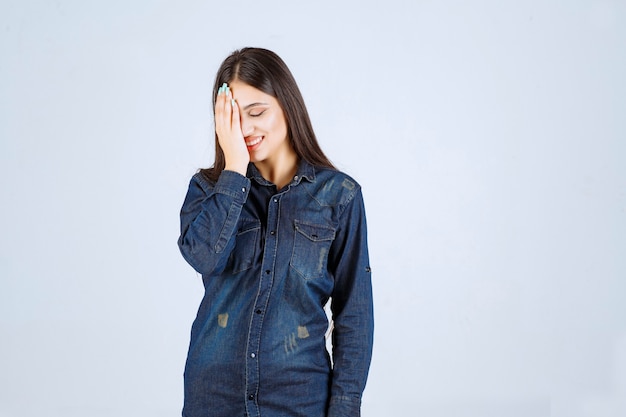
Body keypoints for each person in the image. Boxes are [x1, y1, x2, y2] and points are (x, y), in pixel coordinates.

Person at [177, 47, 373, 417]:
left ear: (286, 105)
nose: (246, 129)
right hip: (214, 398)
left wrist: (345, 408)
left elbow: (355, 315)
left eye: (256, 112)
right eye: (234, 118)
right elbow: (203, 256)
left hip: (299, 399)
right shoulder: (207, 190)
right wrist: (234, 170)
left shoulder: (339, 197)